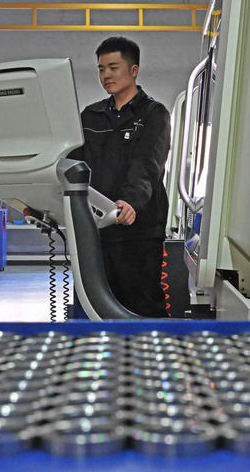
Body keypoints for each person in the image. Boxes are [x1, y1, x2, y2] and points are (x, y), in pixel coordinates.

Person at [68, 36, 171, 318]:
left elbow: (148, 164)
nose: (106, 75)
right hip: (96, 229)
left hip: (138, 229)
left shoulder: (153, 114)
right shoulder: (91, 116)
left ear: (133, 70)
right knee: (94, 306)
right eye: (101, 69)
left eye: (113, 67)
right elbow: (73, 163)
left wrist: (130, 202)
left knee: (141, 305)